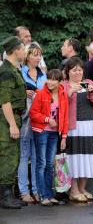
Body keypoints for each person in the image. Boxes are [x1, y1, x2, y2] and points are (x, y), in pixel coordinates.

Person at [63, 57, 93, 202]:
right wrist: (69, 93)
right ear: (68, 72)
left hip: (89, 125)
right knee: (73, 158)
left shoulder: (89, 83)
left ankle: (82, 188)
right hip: (73, 126)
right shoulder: (64, 85)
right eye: (74, 70)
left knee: (87, 157)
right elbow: (60, 106)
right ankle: (73, 190)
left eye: (80, 69)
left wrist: (92, 92)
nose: (77, 72)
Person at [30, 69, 68, 206]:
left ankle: (49, 194)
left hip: (54, 133)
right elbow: (33, 113)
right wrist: (47, 119)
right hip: (41, 131)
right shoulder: (40, 94)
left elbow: (65, 116)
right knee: (42, 163)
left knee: (50, 164)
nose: (50, 82)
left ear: (60, 82)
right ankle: (42, 195)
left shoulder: (63, 94)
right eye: (49, 79)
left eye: (54, 80)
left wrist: (64, 136)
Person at [18, 43, 47, 204]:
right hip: (25, 119)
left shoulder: (43, 74)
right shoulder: (20, 72)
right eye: (34, 54)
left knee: (38, 156)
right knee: (24, 155)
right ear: (27, 56)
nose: (37, 58)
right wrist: (24, 93)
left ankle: (37, 190)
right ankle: (24, 191)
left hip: (40, 120)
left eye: (39, 55)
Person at [0, 37, 27, 209]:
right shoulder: (7, 72)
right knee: (8, 156)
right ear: (16, 50)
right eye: (23, 49)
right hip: (7, 120)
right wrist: (12, 124)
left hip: (14, 117)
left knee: (12, 155)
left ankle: (7, 193)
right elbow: (5, 101)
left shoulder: (13, 70)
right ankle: (5, 196)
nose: (25, 52)